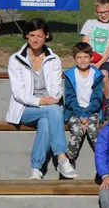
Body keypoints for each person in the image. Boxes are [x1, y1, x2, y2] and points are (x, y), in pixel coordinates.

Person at [6, 18, 76, 180]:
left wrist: (53, 98)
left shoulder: (54, 59)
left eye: (39, 35)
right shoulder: (15, 59)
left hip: (48, 107)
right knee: (54, 110)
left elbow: (57, 87)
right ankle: (62, 157)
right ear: (26, 36)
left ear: (47, 36)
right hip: (24, 108)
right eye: (31, 35)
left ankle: (36, 169)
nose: (35, 39)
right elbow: (18, 93)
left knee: (46, 120)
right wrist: (39, 102)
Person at [64, 42, 104, 166]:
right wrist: (80, 115)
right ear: (74, 59)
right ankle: (69, 158)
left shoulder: (97, 75)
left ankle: (102, 160)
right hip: (74, 110)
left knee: (93, 130)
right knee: (77, 130)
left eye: (86, 57)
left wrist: (86, 115)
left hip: (92, 110)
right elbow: (69, 98)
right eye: (79, 57)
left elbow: (97, 98)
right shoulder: (70, 75)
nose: (82, 60)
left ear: (91, 58)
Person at [80, 0, 109, 120]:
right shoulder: (89, 23)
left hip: (105, 60)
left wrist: (99, 63)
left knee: (103, 75)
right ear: (95, 11)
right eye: (100, 12)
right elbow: (85, 44)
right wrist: (89, 60)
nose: (103, 15)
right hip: (89, 59)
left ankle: (108, 104)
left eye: (106, 12)